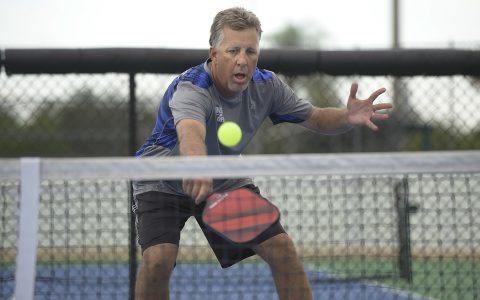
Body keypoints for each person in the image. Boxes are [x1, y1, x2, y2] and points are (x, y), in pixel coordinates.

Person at [132, 7, 392, 300]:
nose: (242, 60)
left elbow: (317, 117)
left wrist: (346, 117)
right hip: (162, 178)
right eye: (233, 50)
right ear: (214, 53)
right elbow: (191, 131)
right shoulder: (192, 87)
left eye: (250, 51)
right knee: (157, 261)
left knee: (282, 250)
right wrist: (196, 165)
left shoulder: (267, 85)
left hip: (222, 181)